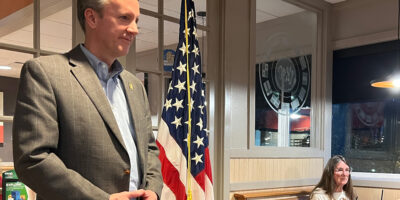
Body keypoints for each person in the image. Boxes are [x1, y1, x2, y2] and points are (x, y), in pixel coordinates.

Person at [12, 0, 162, 199]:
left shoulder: (135, 86)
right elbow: (33, 160)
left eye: (136, 21)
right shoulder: (45, 73)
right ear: (92, 17)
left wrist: (153, 190)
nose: (134, 29)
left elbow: (149, 149)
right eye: (124, 18)